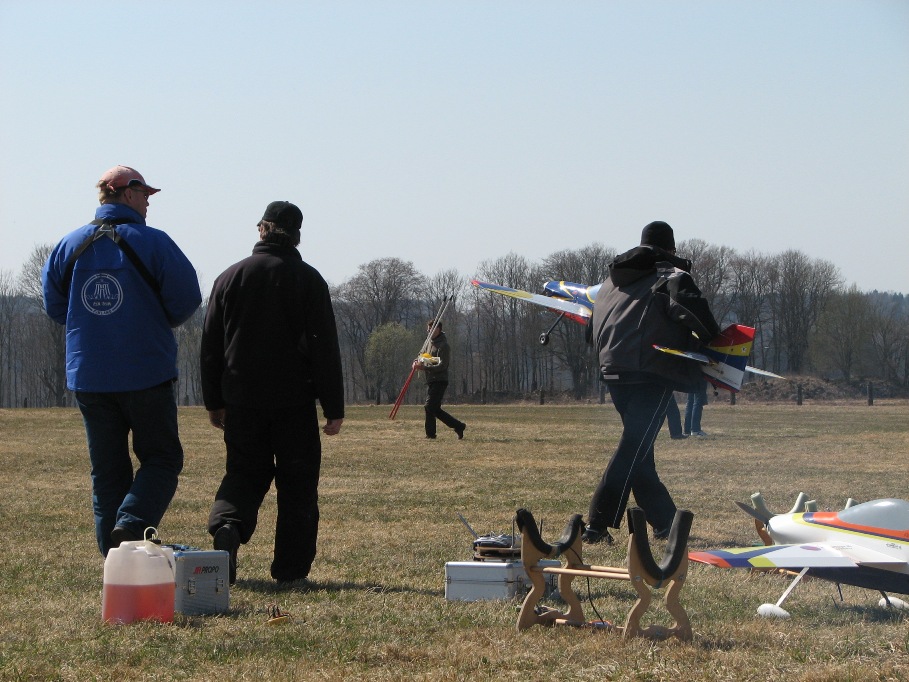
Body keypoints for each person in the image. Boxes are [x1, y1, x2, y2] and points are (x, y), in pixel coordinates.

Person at [42, 165, 202, 556]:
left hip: (90, 377)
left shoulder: (68, 245)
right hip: (147, 372)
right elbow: (186, 300)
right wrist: (154, 319)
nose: (148, 202)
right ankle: (131, 524)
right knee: (162, 458)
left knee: (107, 472)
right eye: (145, 193)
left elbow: (56, 307)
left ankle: (114, 561)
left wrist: (94, 326)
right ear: (128, 193)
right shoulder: (155, 242)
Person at [201, 200, 344, 585]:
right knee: (298, 485)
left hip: (241, 400)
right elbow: (324, 348)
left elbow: (211, 346)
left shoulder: (229, 278)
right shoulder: (309, 281)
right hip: (294, 401)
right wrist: (333, 406)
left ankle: (228, 526)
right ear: (296, 236)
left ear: (260, 229)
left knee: (243, 473)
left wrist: (214, 401)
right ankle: (290, 570)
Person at [583, 220, 718, 544]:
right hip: (650, 371)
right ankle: (596, 524)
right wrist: (712, 342)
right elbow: (696, 315)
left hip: (612, 369)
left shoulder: (610, 282)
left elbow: (590, 331)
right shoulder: (670, 276)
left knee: (639, 449)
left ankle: (665, 522)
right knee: (633, 447)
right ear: (671, 249)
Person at [414, 320, 466, 440]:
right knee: (434, 409)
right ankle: (458, 426)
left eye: (431, 329)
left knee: (429, 406)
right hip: (431, 380)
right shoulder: (428, 343)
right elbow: (425, 357)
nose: (429, 332)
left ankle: (430, 434)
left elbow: (442, 365)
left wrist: (424, 367)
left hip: (440, 380)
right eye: (428, 330)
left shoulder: (444, 346)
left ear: (438, 330)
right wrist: (417, 361)